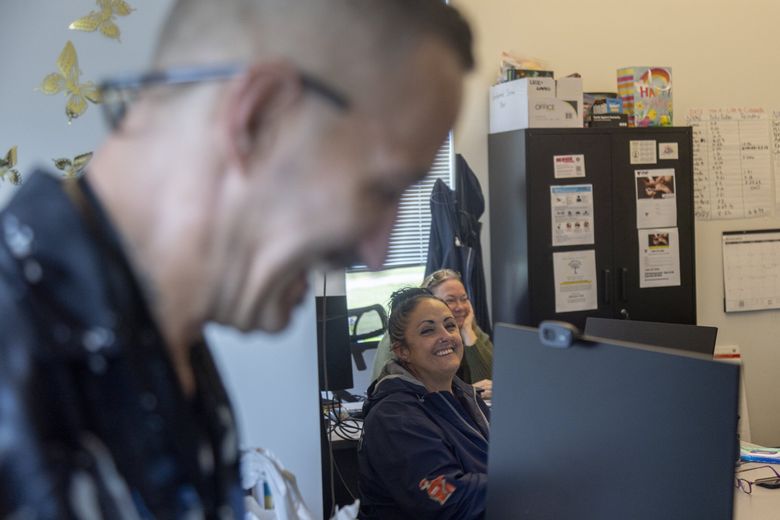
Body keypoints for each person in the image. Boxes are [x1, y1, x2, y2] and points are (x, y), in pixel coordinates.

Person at [0, 0, 474, 517]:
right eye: (382, 189)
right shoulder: (17, 357)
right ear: (259, 117)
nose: (378, 254)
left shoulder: (164, 345)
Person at [358, 287, 489, 519]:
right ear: (402, 351)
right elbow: (448, 499)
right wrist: (527, 484)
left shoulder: (467, 397)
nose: (446, 336)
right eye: (428, 330)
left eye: (450, 326)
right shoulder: (394, 418)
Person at [371, 269, 493, 398]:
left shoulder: (468, 327)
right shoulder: (398, 337)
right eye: (450, 300)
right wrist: (464, 393)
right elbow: (390, 390)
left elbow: (492, 381)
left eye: (464, 299)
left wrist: (468, 335)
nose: (460, 307)